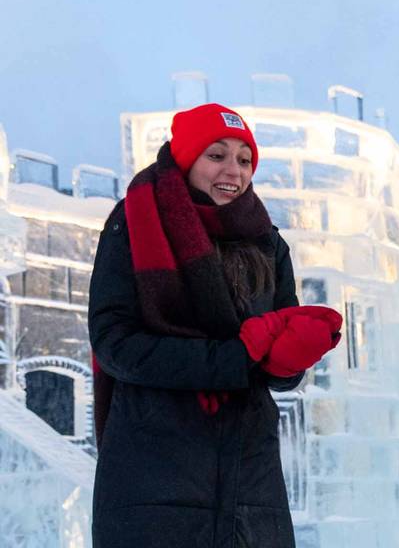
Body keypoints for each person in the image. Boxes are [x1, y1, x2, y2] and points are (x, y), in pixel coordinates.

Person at [88, 103, 341, 547]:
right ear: (187, 158)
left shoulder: (267, 242)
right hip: (155, 476)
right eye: (217, 155)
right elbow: (115, 345)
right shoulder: (134, 222)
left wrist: (290, 361)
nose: (234, 170)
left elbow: (274, 368)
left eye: (245, 160)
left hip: (250, 478)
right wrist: (234, 356)